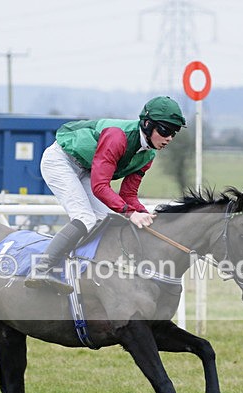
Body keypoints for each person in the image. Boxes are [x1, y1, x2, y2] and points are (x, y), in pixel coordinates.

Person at [25, 95, 186, 294]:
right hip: (61, 160)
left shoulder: (148, 155)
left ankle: (79, 269)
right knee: (84, 218)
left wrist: (146, 216)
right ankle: (41, 268)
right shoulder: (117, 137)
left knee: (105, 219)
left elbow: (129, 196)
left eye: (174, 132)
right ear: (147, 124)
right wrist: (130, 213)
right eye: (165, 130)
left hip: (86, 168)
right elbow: (100, 186)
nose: (169, 138)